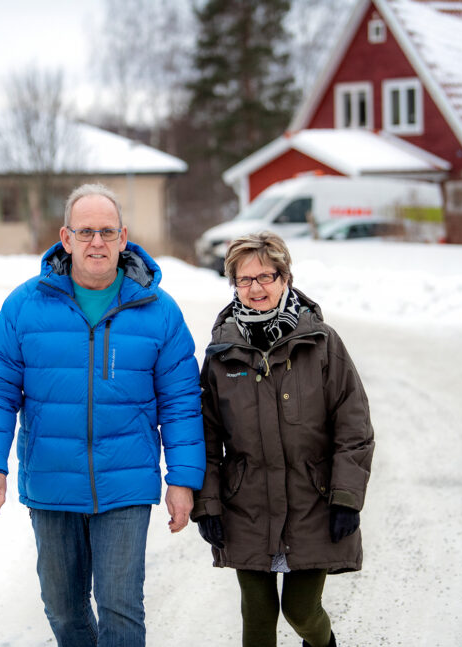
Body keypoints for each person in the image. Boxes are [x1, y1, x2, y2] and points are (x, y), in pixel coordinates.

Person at [0, 183, 205, 647]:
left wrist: (183, 480)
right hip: (52, 482)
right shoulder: (25, 304)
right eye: (86, 231)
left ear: (123, 237)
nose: (97, 241)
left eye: (107, 231)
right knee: (63, 606)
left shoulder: (158, 310)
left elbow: (181, 402)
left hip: (127, 483)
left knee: (120, 605)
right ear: (66, 237)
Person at [191, 231, 374, 647]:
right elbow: (206, 435)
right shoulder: (222, 353)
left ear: (285, 277)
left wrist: (346, 496)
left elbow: (354, 426)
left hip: (312, 501)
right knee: (257, 618)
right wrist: (209, 503)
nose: (255, 288)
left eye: (265, 276)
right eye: (243, 279)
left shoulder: (322, 343)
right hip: (248, 506)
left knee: (302, 611)